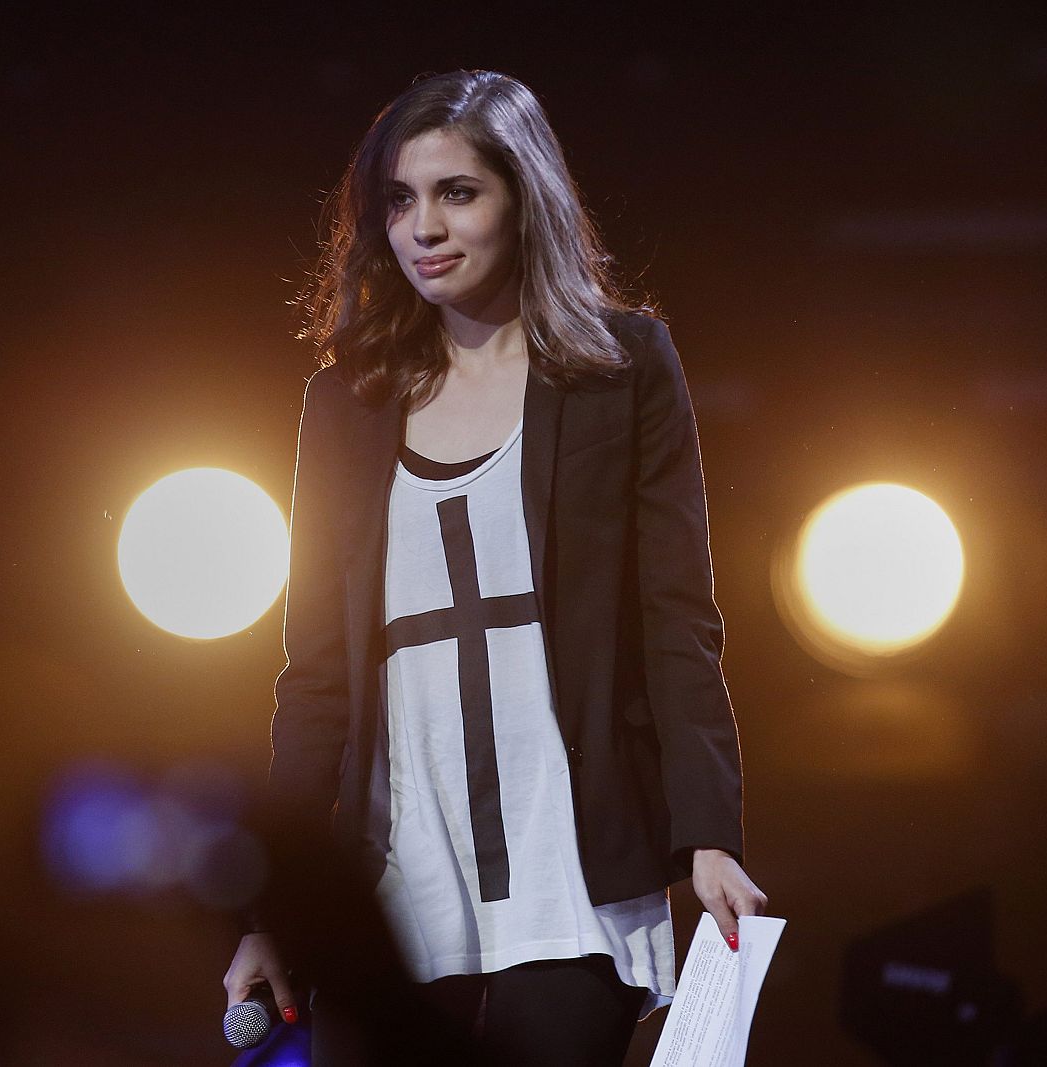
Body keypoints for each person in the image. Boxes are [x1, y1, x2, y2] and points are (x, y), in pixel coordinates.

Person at [222, 69, 766, 1065]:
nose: (422, 225)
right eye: (399, 199)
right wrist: (272, 904)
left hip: (569, 874)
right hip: (397, 885)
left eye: (456, 192)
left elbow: (676, 616)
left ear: (523, 198)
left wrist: (709, 833)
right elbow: (314, 677)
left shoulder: (621, 368)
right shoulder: (346, 405)